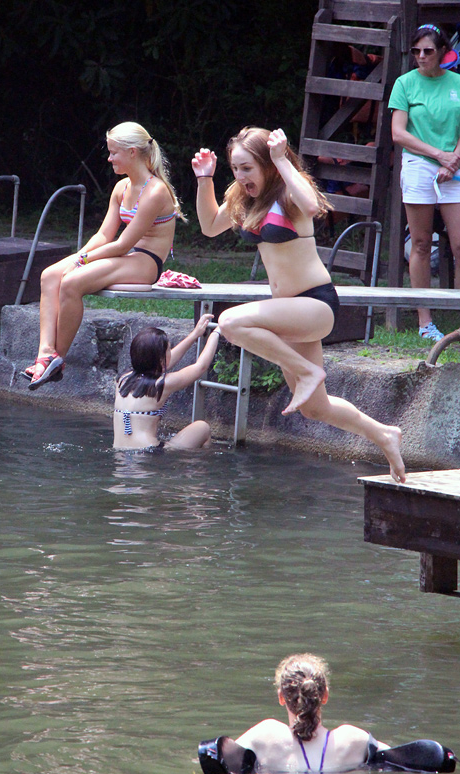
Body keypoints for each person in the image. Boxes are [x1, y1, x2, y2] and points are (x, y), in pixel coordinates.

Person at [191, 127, 406, 483]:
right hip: (287, 313)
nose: (240, 177)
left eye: (247, 168)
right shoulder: (244, 198)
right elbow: (209, 226)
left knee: (230, 323)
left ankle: (308, 373)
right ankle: (385, 434)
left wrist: (281, 159)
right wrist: (205, 180)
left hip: (314, 304)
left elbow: (311, 207)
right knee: (314, 408)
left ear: (268, 165)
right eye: (235, 169)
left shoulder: (290, 192)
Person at [24, 121, 184, 388]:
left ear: (132, 152)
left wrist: (82, 262)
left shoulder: (155, 191)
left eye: (113, 153)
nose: (109, 158)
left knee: (72, 282)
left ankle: (57, 359)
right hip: (125, 255)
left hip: (145, 262)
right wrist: (79, 256)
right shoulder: (122, 188)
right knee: (50, 275)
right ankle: (44, 354)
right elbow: (103, 235)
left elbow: (122, 244)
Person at [389, 24, 460, 342]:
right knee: (419, 243)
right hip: (419, 165)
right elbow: (399, 133)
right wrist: (439, 156)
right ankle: (425, 321)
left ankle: (457, 323)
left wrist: (453, 159)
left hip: (455, 166)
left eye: (427, 51)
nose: (421, 56)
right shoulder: (404, 84)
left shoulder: (457, 83)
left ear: (443, 52)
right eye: (416, 51)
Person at [233, 653, 389, 774]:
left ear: (281, 697)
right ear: (325, 695)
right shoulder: (354, 741)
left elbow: (213, 759)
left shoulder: (264, 737)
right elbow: (406, 759)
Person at [114, 314, 220, 450]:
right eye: (169, 349)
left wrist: (194, 335)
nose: (171, 352)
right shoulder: (162, 384)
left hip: (121, 456)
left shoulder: (122, 380)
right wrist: (217, 331)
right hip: (151, 453)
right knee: (202, 427)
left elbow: (164, 363)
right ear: (160, 359)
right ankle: (197, 467)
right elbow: (201, 367)